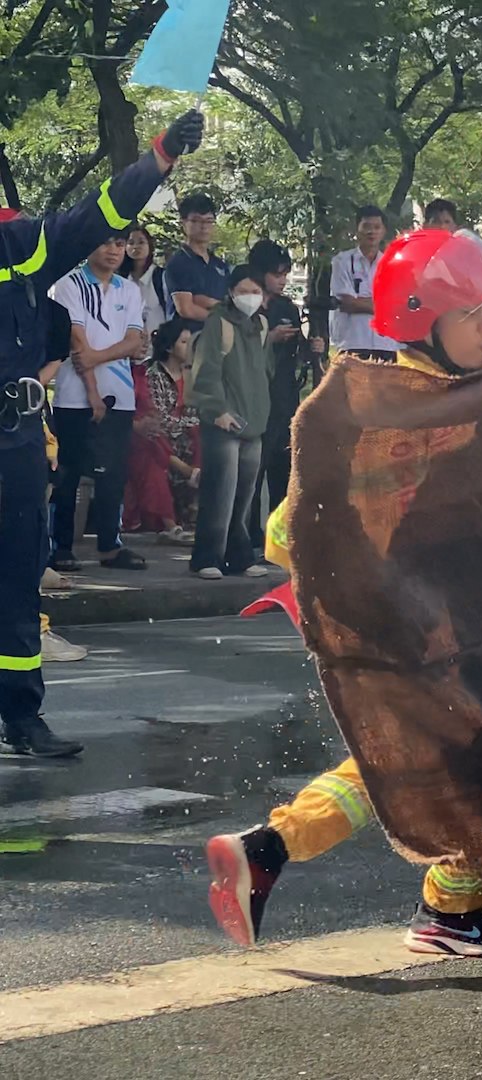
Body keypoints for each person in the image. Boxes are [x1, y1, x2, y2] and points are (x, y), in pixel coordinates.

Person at [204, 227, 482, 956]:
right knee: (476, 769)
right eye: (472, 313)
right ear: (422, 318)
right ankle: (433, 905)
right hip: (427, 641)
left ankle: (291, 854)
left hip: (461, 636)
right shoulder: (379, 411)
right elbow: (288, 533)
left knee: (422, 770)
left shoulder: (462, 398)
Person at [0, 108, 200, 758]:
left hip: (17, 439)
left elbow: (100, 213)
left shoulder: (20, 241)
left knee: (17, 583)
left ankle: (23, 720)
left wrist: (161, 157)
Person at [48, 231, 149, 571]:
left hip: (119, 394)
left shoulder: (130, 290)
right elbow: (77, 342)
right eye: (105, 242)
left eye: (119, 244)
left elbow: (134, 341)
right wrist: (91, 390)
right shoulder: (69, 285)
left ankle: (110, 545)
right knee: (68, 472)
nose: (113, 251)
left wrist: (96, 358)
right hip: (73, 395)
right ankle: (61, 546)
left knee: (113, 474)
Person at [188, 266, 275, 581]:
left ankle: (239, 557)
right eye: (244, 291)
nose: (250, 297)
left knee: (243, 496)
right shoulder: (218, 322)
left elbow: (266, 371)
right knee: (220, 493)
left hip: (253, 422)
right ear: (230, 293)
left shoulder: (262, 325)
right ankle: (206, 557)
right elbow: (206, 370)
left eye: (255, 291)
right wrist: (217, 410)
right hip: (223, 420)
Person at [245, 241, 311, 519]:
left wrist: (312, 347)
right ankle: (248, 534)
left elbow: (300, 350)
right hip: (254, 389)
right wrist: (268, 339)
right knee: (254, 464)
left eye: (286, 274)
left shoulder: (287, 307)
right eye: (277, 274)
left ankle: (280, 530)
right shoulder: (245, 306)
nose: (282, 281)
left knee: (283, 461)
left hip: (284, 390)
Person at [123, 319, 198, 540]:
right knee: (150, 438)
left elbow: (196, 414)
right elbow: (158, 417)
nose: (190, 347)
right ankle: (170, 523)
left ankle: (197, 511)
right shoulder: (150, 373)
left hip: (184, 436)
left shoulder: (194, 373)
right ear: (169, 347)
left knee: (204, 434)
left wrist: (189, 426)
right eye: (185, 342)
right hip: (158, 438)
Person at [329, 206, 402, 361]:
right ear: (357, 229)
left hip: (385, 344)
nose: (371, 232)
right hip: (352, 342)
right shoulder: (342, 261)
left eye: (377, 227)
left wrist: (361, 302)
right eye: (366, 226)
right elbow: (346, 303)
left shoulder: (392, 265)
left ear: (383, 231)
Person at [166, 193, 227, 331]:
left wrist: (205, 301)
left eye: (209, 221)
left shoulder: (220, 265)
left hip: (217, 340)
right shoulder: (178, 263)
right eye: (197, 220)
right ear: (183, 223)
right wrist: (222, 319)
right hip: (186, 341)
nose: (204, 226)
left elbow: (227, 304)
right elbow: (186, 309)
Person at [122, 223, 164, 332]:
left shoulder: (160, 275)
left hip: (158, 341)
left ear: (150, 246)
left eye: (141, 242)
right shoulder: (120, 278)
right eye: (131, 243)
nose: (136, 247)